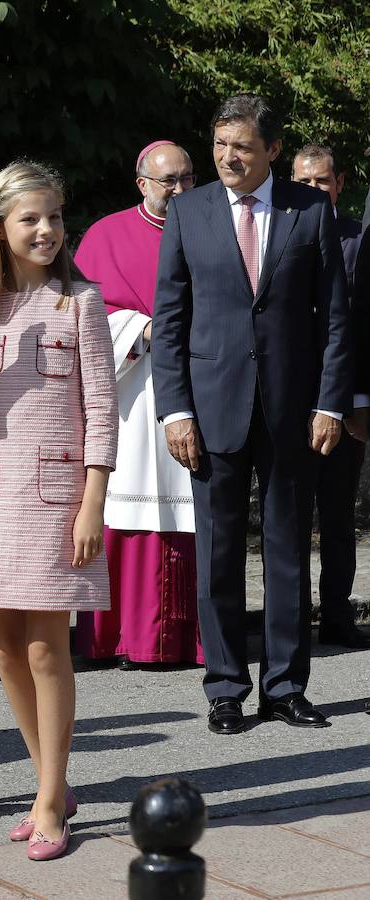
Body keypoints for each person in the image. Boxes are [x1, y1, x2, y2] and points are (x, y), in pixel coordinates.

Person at [0, 161, 118, 860]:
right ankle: (51, 783)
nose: (46, 230)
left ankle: (50, 799)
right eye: (29, 220)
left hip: (58, 497)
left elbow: (102, 409)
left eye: (54, 217)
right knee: (4, 645)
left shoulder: (81, 302)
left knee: (46, 646)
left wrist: (92, 503)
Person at [152, 95, 352, 735]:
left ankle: (286, 686)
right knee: (218, 551)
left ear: (271, 150)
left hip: (294, 409)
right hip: (211, 408)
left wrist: (329, 402)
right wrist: (175, 410)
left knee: (290, 545)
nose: (227, 157)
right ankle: (226, 688)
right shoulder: (188, 211)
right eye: (218, 145)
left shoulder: (311, 211)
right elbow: (172, 320)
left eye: (241, 146)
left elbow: (336, 319)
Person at [74, 140, 202, 668]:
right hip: (130, 390)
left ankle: (189, 637)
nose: (177, 190)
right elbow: (77, 314)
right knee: (125, 507)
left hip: (195, 386)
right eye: (166, 180)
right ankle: (119, 637)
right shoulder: (105, 235)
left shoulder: (210, 225)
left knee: (193, 510)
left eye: (186, 179)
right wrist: (138, 328)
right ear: (142, 184)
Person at [291, 145, 370, 650]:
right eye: (303, 181)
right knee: (291, 519)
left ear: (339, 183)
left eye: (322, 181)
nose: (313, 190)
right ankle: (293, 619)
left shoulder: (361, 238)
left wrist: (358, 398)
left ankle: (337, 615)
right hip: (290, 399)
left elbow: (362, 325)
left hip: (343, 398)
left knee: (339, 517)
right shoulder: (279, 230)